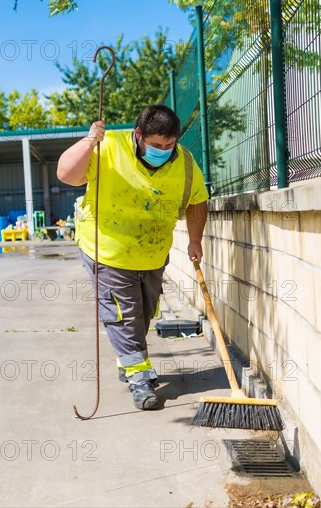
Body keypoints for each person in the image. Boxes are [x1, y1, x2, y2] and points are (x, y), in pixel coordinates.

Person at [57, 105, 208, 410]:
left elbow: (197, 201)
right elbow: (66, 174)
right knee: (123, 314)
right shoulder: (108, 146)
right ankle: (139, 378)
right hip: (106, 249)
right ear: (139, 135)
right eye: (156, 145)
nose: (164, 151)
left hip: (151, 253)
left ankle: (128, 359)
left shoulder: (186, 163)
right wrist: (89, 141)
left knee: (145, 313)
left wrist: (195, 239)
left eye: (170, 145)